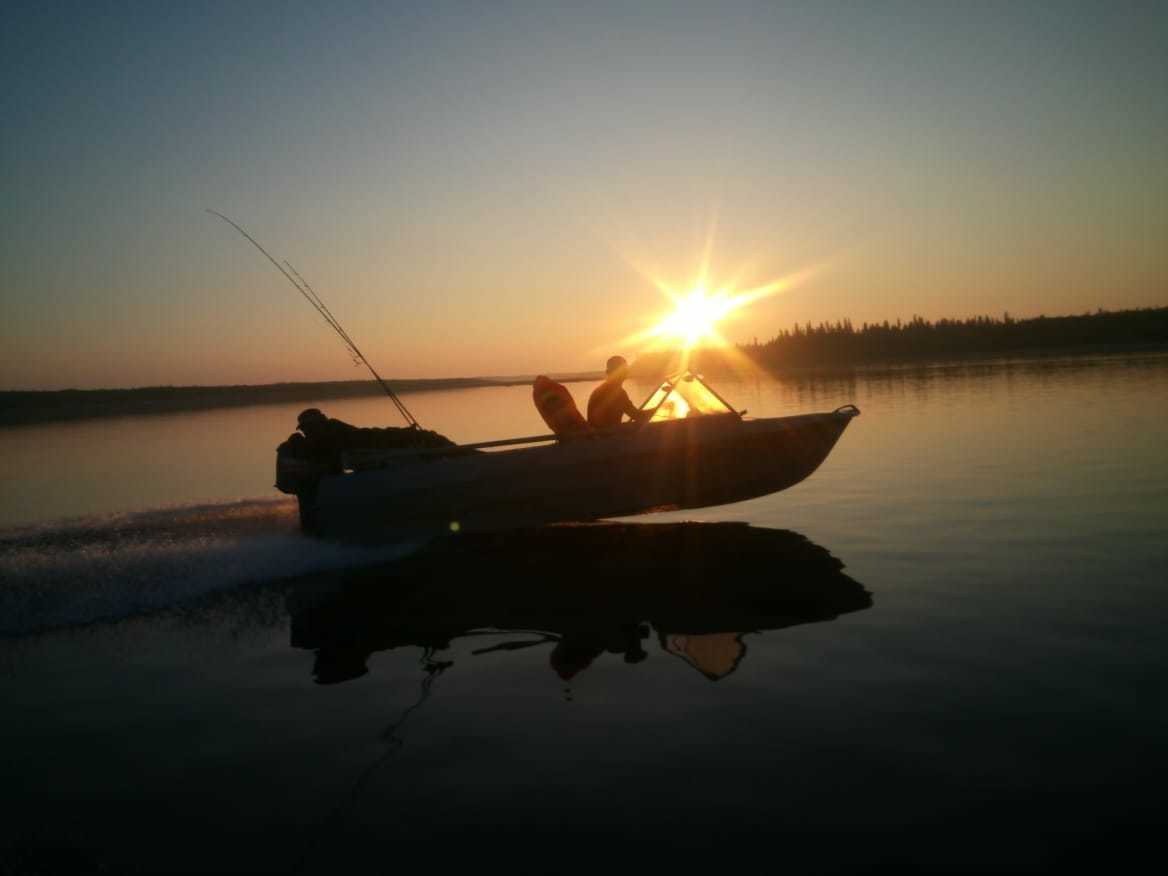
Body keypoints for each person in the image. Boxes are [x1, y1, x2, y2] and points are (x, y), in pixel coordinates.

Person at [587, 356, 651, 429]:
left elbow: (635, 413)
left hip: (601, 435)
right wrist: (653, 412)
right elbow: (637, 416)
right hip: (607, 436)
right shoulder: (616, 392)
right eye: (623, 370)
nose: (626, 372)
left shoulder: (601, 389)